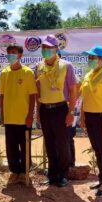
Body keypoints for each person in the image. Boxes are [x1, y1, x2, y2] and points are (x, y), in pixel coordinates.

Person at [35, 35, 78, 187]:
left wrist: (71, 112)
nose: (46, 50)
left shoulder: (66, 66)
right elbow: (38, 93)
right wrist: (38, 113)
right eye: (43, 47)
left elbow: (73, 90)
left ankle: (63, 175)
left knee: (62, 143)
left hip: (61, 109)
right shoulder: (38, 67)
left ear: (56, 49)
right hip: (45, 110)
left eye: (49, 47)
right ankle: (52, 175)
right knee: (49, 143)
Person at [79, 45, 102, 196]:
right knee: (97, 149)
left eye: (93, 57)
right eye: (89, 57)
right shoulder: (88, 75)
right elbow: (84, 98)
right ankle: (101, 179)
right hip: (90, 117)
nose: (90, 60)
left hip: (101, 118)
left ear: (101, 59)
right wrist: (82, 117)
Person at [0, 43, 37, 185]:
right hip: (9, 118)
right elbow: (2, 95)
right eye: (9, 53)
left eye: (14, 53)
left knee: (25, 147)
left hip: (24, 118)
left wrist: (30, 115)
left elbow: (32, 95)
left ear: (20, 55)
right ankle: (14, 172)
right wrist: (2, 114)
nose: (11, 55)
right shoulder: (4, 73)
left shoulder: (27, 72)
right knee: (11, 148)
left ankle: (24, 172)